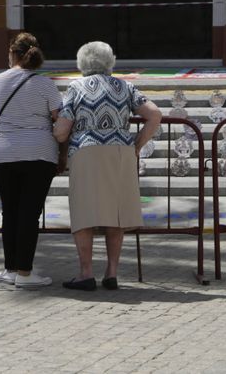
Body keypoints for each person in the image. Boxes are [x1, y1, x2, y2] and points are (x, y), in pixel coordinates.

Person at [53, 40, 163, 291]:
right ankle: (111, 273)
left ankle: (86, 273)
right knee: (117, 213)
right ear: (110, 62)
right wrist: (136, 145)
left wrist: (55, 133)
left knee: (84, 213)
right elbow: (155, 115)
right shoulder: (125, 86)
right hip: (121, 151)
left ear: (82, 63)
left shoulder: (76, 87)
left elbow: (61, 131)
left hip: (86, 152)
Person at [0, 32, 63, 288]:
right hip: (39, 153)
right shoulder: (46, 84)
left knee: (10, 212)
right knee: (30, 213)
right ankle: (25, 273)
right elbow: (58, 116)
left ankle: (11, 268)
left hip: (5, 152)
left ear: (12, 53)